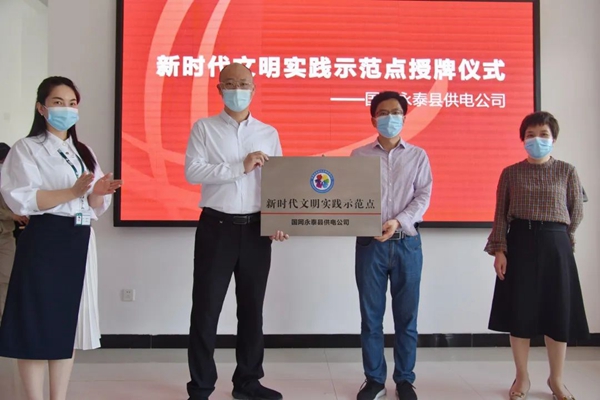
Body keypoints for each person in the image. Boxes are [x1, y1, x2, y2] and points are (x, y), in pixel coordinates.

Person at [0, 76, 122, 400]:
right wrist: (71, 192)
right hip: (45, 239)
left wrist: (98, 192)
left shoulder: (83, 150)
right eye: (58, 103)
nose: (66, 110)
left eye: (72, 103)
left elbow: (92, 204)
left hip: (79, 239)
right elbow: (22, 199)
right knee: (36, 325)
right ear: (41, 108)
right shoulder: (26, 148)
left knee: (67, 325)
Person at [184, 63, 289, 400]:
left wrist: (279, 220)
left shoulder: (268, 132)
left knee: (252, 310)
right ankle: (201, 386)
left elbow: (279, 182)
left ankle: (247, 382)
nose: (237, 89)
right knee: (206, 309)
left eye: (243, 83)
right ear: (219, 89)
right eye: (230, 83)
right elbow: (192, 171)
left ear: (254, 88)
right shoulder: (204, 128)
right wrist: (239, 167)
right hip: (216, 227)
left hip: (257, 230)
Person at [485, 111, 588, 400]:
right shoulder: (511, 173)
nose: (537, 140)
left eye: (543, 134)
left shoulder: (567, 171)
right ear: (523, 139)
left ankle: (556, 380)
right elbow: (500, 215)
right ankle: (522, 378)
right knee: (520, 312)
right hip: (520, 243)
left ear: (553, 138)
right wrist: (500, 250)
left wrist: (564, 238)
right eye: (531, 135)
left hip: (556, 245)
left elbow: (576, 210)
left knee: (558, 312)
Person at [351, 91, 433, 400]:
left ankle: (405, 380)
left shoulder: (418, 156)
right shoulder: (359, 156)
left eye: (396, 112)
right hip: (369, 244)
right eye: (383, 113)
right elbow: (349, 197)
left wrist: (398, 221)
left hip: (406, 244)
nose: (390, 118)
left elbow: (423, 196)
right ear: (373, 120)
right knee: (371, 317)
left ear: (404, 117)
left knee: (406, 318)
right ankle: (374, 380)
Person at [0, 143, 28, 322]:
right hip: (7, 228)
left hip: (6, 235)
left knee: (6, 279)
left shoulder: (12, 180)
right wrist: (12, 215)